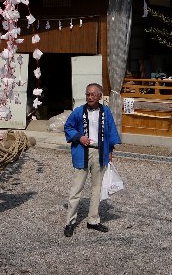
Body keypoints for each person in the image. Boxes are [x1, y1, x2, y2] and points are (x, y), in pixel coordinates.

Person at [62, 82, 121, 237]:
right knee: (76, 189)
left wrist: (110, 151)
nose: (89, 97)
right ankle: (69, 222)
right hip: (82, 153)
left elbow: (110, 131)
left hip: (100, 153)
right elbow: (68, 127)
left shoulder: (106, 111)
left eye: (93, 94)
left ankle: (93, 220)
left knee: (97, 189)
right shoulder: (78, 111)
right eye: (87, 94)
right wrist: (79, 137)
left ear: (100, 96)